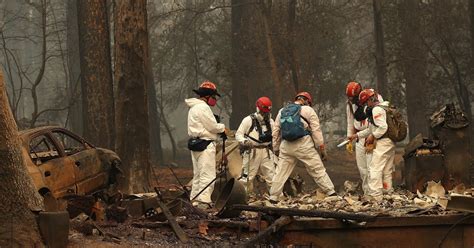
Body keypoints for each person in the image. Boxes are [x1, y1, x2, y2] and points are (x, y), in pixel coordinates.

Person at [269, 92, 336, 202]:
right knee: (317, 169)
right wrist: (321, 148)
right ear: (307, 101)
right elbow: (316, 130)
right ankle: (331, 192)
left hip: (286, 145)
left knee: (281, 172)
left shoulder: (282, 111)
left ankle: (273, 196)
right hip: (303, 144)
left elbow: (276, 132)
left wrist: (276, 148)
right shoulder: (309, 110)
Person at [185, 81, 226, 208]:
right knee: (207, 175)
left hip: (196, 144)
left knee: (197, 175)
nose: (214, 100)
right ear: (207, 96)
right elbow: (212, 126)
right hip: (206, 144)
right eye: (213, 97)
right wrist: (222, 127)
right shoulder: (203, 107)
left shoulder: (193, 107)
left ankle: (195, 201)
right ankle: (203, 203)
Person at [349, 89, 394, 199]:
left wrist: (373, 136)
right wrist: (357, 135)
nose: (365, 106)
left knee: (374, 168)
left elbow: (383, 127)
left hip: (383, 142)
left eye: (365, 103)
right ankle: (388, 193)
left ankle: (375, 196)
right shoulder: (385, 106)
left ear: (369, 100)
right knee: (387, 170)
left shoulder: (376, 110)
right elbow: (371, 129)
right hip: (390, 141)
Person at [345, 81, 383, 195]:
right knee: (362, 168)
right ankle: (367, 192)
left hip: (372, 135)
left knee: (372, 165)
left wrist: (376, 135)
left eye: (354, 98)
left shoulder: (373, 97)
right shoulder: (350, 105)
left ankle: (375, 192)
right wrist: (349, 139)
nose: (352, 100)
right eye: (350, 98)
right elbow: (350, 122)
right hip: (359, 136)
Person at [235, 96, 276, 194]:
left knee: (272, 177)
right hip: (252, 151)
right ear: (258, 109)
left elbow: (275, 136)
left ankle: (276, 198)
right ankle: (241, 198)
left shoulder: (270, 122)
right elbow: (238, 134)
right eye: (263, 112)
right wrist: (244, 141)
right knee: (246, 177)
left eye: (266, 112)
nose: (265, 115)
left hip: (266, 151)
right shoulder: (248, 120)